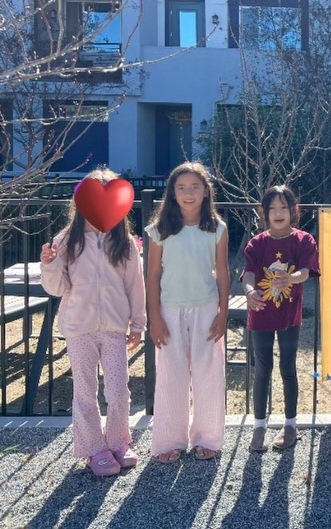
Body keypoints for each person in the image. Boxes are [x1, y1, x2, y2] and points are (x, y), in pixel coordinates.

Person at [39, 167, 146, 477]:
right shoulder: (66, 240)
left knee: (118, 391)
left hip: (114, 328)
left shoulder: (123, 242)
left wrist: (138, 324)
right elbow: (56, 288)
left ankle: (118, 442)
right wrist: (49, 265)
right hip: (79, 328)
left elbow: (134, 286)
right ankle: (94, 449)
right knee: (85, 391)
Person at [146, 161, 230, 463]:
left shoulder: (217, 229)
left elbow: (222, 273)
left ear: (206, 192)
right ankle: (170, 440)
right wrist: (154, 317)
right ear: (172, 193)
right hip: (169, 311)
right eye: (181, 188)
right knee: (171, 376)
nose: (188, 193)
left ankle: (207, 438)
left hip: (207, 309)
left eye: (195, 187)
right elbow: (153, 275)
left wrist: (223, 313)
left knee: (208, 375)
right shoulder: (159, 231)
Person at [241, 186, 320, 452]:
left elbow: (307, 271)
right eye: (272, 208)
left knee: (288, 368)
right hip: (261, 312)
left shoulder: (304, 240)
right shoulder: (257, 243)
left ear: (293, 211)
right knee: (262, 369)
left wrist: (292, 277)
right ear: (263, 213)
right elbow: (249, 273)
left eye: (283, 208)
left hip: (289, 314)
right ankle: (259, 426)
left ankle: (290, 425)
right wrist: (250, 292)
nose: (278, 213)